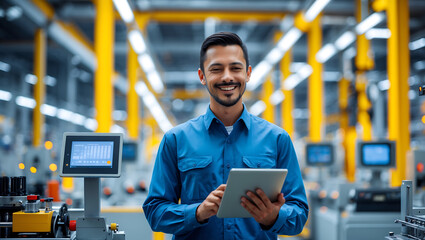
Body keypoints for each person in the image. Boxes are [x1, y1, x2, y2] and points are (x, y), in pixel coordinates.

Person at [143, 32, 308, 239]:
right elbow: (154, 212)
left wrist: (273, 216)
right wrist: (197, 212)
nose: (227, 76)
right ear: (202, 76)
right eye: (216, 69)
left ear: (248, 73)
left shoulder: (277, 139)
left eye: (235, 68)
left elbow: (300, 215)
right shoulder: (175, 140)